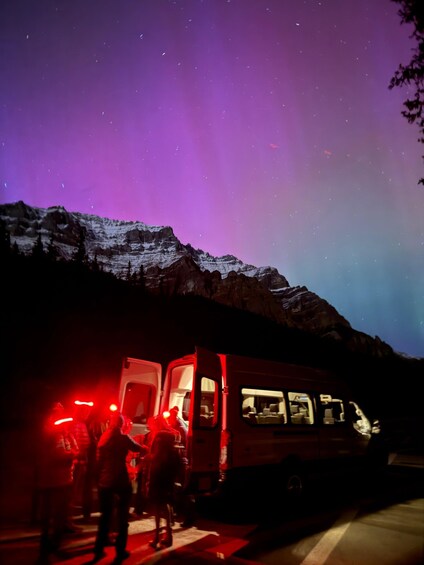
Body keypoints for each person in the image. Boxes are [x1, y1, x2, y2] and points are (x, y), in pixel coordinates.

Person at [93, 412, 148, 563]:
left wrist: (99, 479)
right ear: (121, 424)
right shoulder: (123, 438)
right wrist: (146, 447)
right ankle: (120, 551)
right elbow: (138, 448)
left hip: (105, 482)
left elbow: (98, 461)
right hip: (120, 480)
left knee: (105, 517)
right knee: (123, 518)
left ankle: (98, 548)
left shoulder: (104, 438)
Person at [36, 402, 80, 561]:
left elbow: (76, 448)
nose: (61, 417)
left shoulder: (65, 434)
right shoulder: (50, 433)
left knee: (60, 516)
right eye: (57, 412)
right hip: (52, 481)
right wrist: (70, 455)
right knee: (49, 517)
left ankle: (54, 547)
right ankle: (45, 551)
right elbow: (56, 455)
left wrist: (72, 452)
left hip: (64, 480)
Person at [147, 428, 183, 550]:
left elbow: (154, 471)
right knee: (167, 508)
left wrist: (148, 483)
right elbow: (179, 470)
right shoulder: (174, 454)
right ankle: (169, 534)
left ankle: (157, 536)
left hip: (157, 484)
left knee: (157, 510)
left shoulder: (158, 454)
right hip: (168, 484)